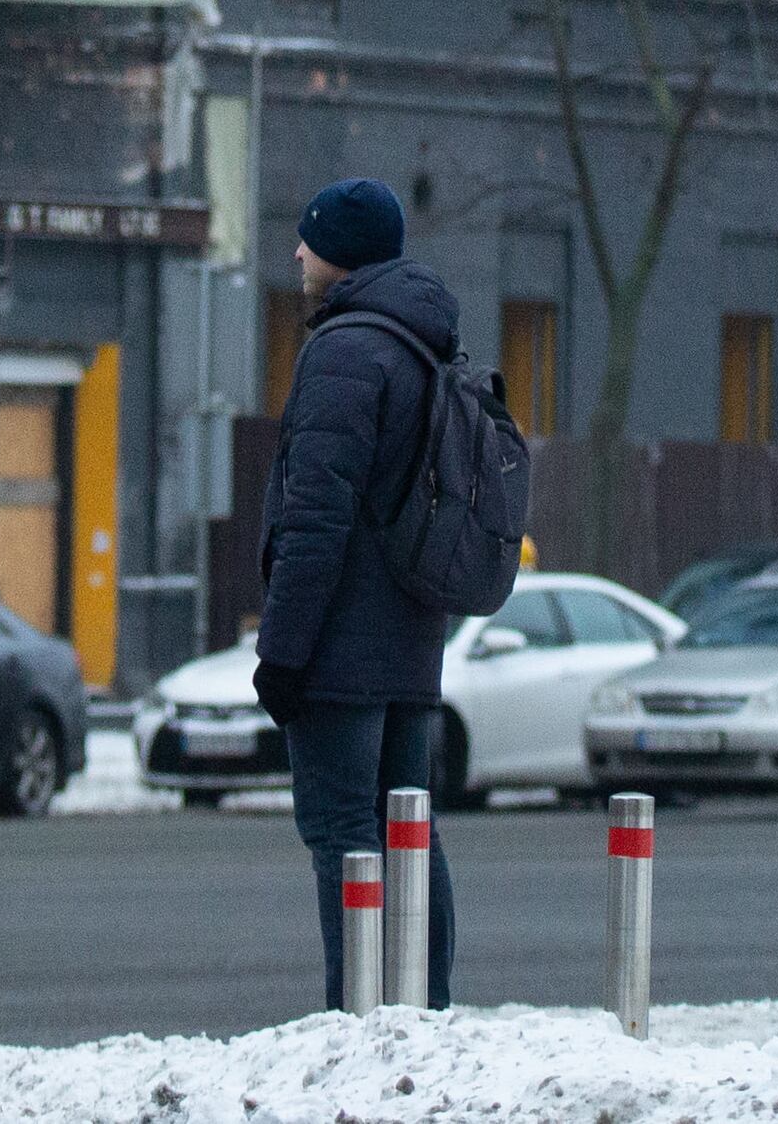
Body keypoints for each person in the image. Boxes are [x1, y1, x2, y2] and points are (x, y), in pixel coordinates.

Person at [252, 175, 462, 1011]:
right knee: (410, 835)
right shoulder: (424, 341)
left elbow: (315, 521)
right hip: (411, 638)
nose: (298, 254)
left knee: (343, 836)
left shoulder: (344, 351)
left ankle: (358, 1023)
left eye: (308, 241)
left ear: (341, 255)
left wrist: (283, 653)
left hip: (343, 649)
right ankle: (424, 1012)